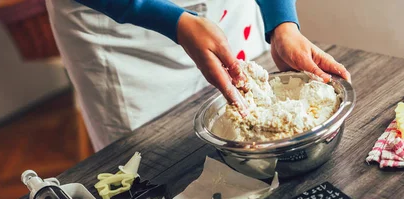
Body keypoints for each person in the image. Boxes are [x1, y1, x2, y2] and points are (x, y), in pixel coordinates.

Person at [45, 0, 351, 151]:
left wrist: (282, 22)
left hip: (226, 13)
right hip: (121, 30)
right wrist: (171, 20)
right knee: (153, 165)